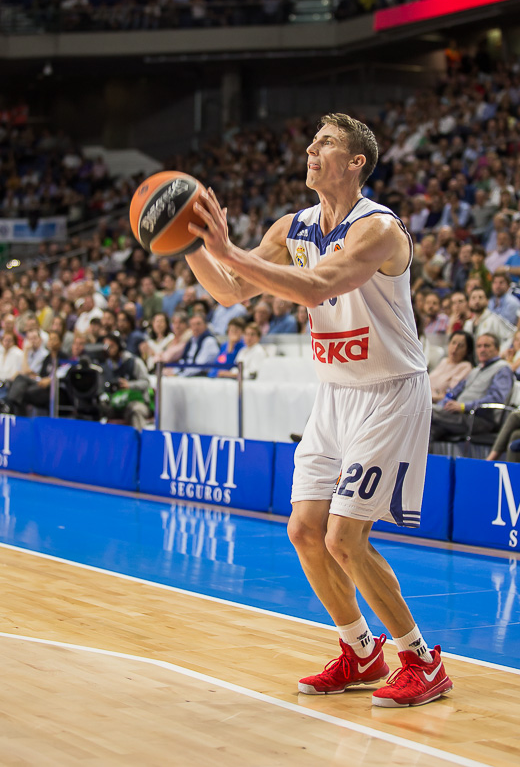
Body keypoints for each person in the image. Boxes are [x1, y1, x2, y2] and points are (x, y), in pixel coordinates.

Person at [184, 112, 452, 707]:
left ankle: (421, 659)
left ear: (355, 162)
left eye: (325, 142)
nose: (311, 148)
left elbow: (315, 288)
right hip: (334, 393)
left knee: (345, 537)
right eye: (311, 140)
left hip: (389, 392)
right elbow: (230, 290)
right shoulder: (293, 227)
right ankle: (361, 651)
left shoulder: (379, 230)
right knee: (305, 531)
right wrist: (191, 245)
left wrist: (227, 249)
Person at [429, 333, 514, 444]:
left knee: (427, 412)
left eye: (487, 346)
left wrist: (464, 406)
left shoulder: (502, 369)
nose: (482, 349)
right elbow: (454, 392)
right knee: (429, 431)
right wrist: (443, 404)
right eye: (479, 346)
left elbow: (496, 398)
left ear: (497, 349)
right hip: (457, 415)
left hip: (479, 419)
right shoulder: (475, 370)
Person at [429, 331, 474, 404]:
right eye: (453, 343)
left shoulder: (465, 366)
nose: (455, 348)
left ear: (467, 350)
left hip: (435, 403)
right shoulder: (444, 361)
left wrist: (430, 397)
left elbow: (450, 394)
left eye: (460, 346)